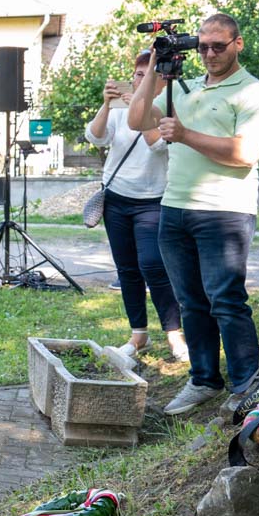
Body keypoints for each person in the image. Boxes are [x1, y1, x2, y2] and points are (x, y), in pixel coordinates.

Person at [126, 13, 259, 415]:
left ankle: (247, 386)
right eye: (203, 46)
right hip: (175, 208)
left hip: (224, 212)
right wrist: (154, 68)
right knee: (190, 303)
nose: (209, 54)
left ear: (237, 44)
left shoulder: (252, 91)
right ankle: (204, 379)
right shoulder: (184, 88)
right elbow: (137, 119)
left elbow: (246, 153)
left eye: (218, 46)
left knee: (225, 300)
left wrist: (185, 134)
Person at [86, 50, 186, 361]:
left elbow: (157, 145)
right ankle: (138, 335)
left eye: (149, 75)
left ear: (162, 81)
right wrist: (107, 104)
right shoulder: (119, 108)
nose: (141, 80)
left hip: (153, 200)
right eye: (138, 75)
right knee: (127, 270)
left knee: (153, 266)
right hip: (116, 198)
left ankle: (174, 335)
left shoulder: (168, 108)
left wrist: (138, 111)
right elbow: (96, 137)